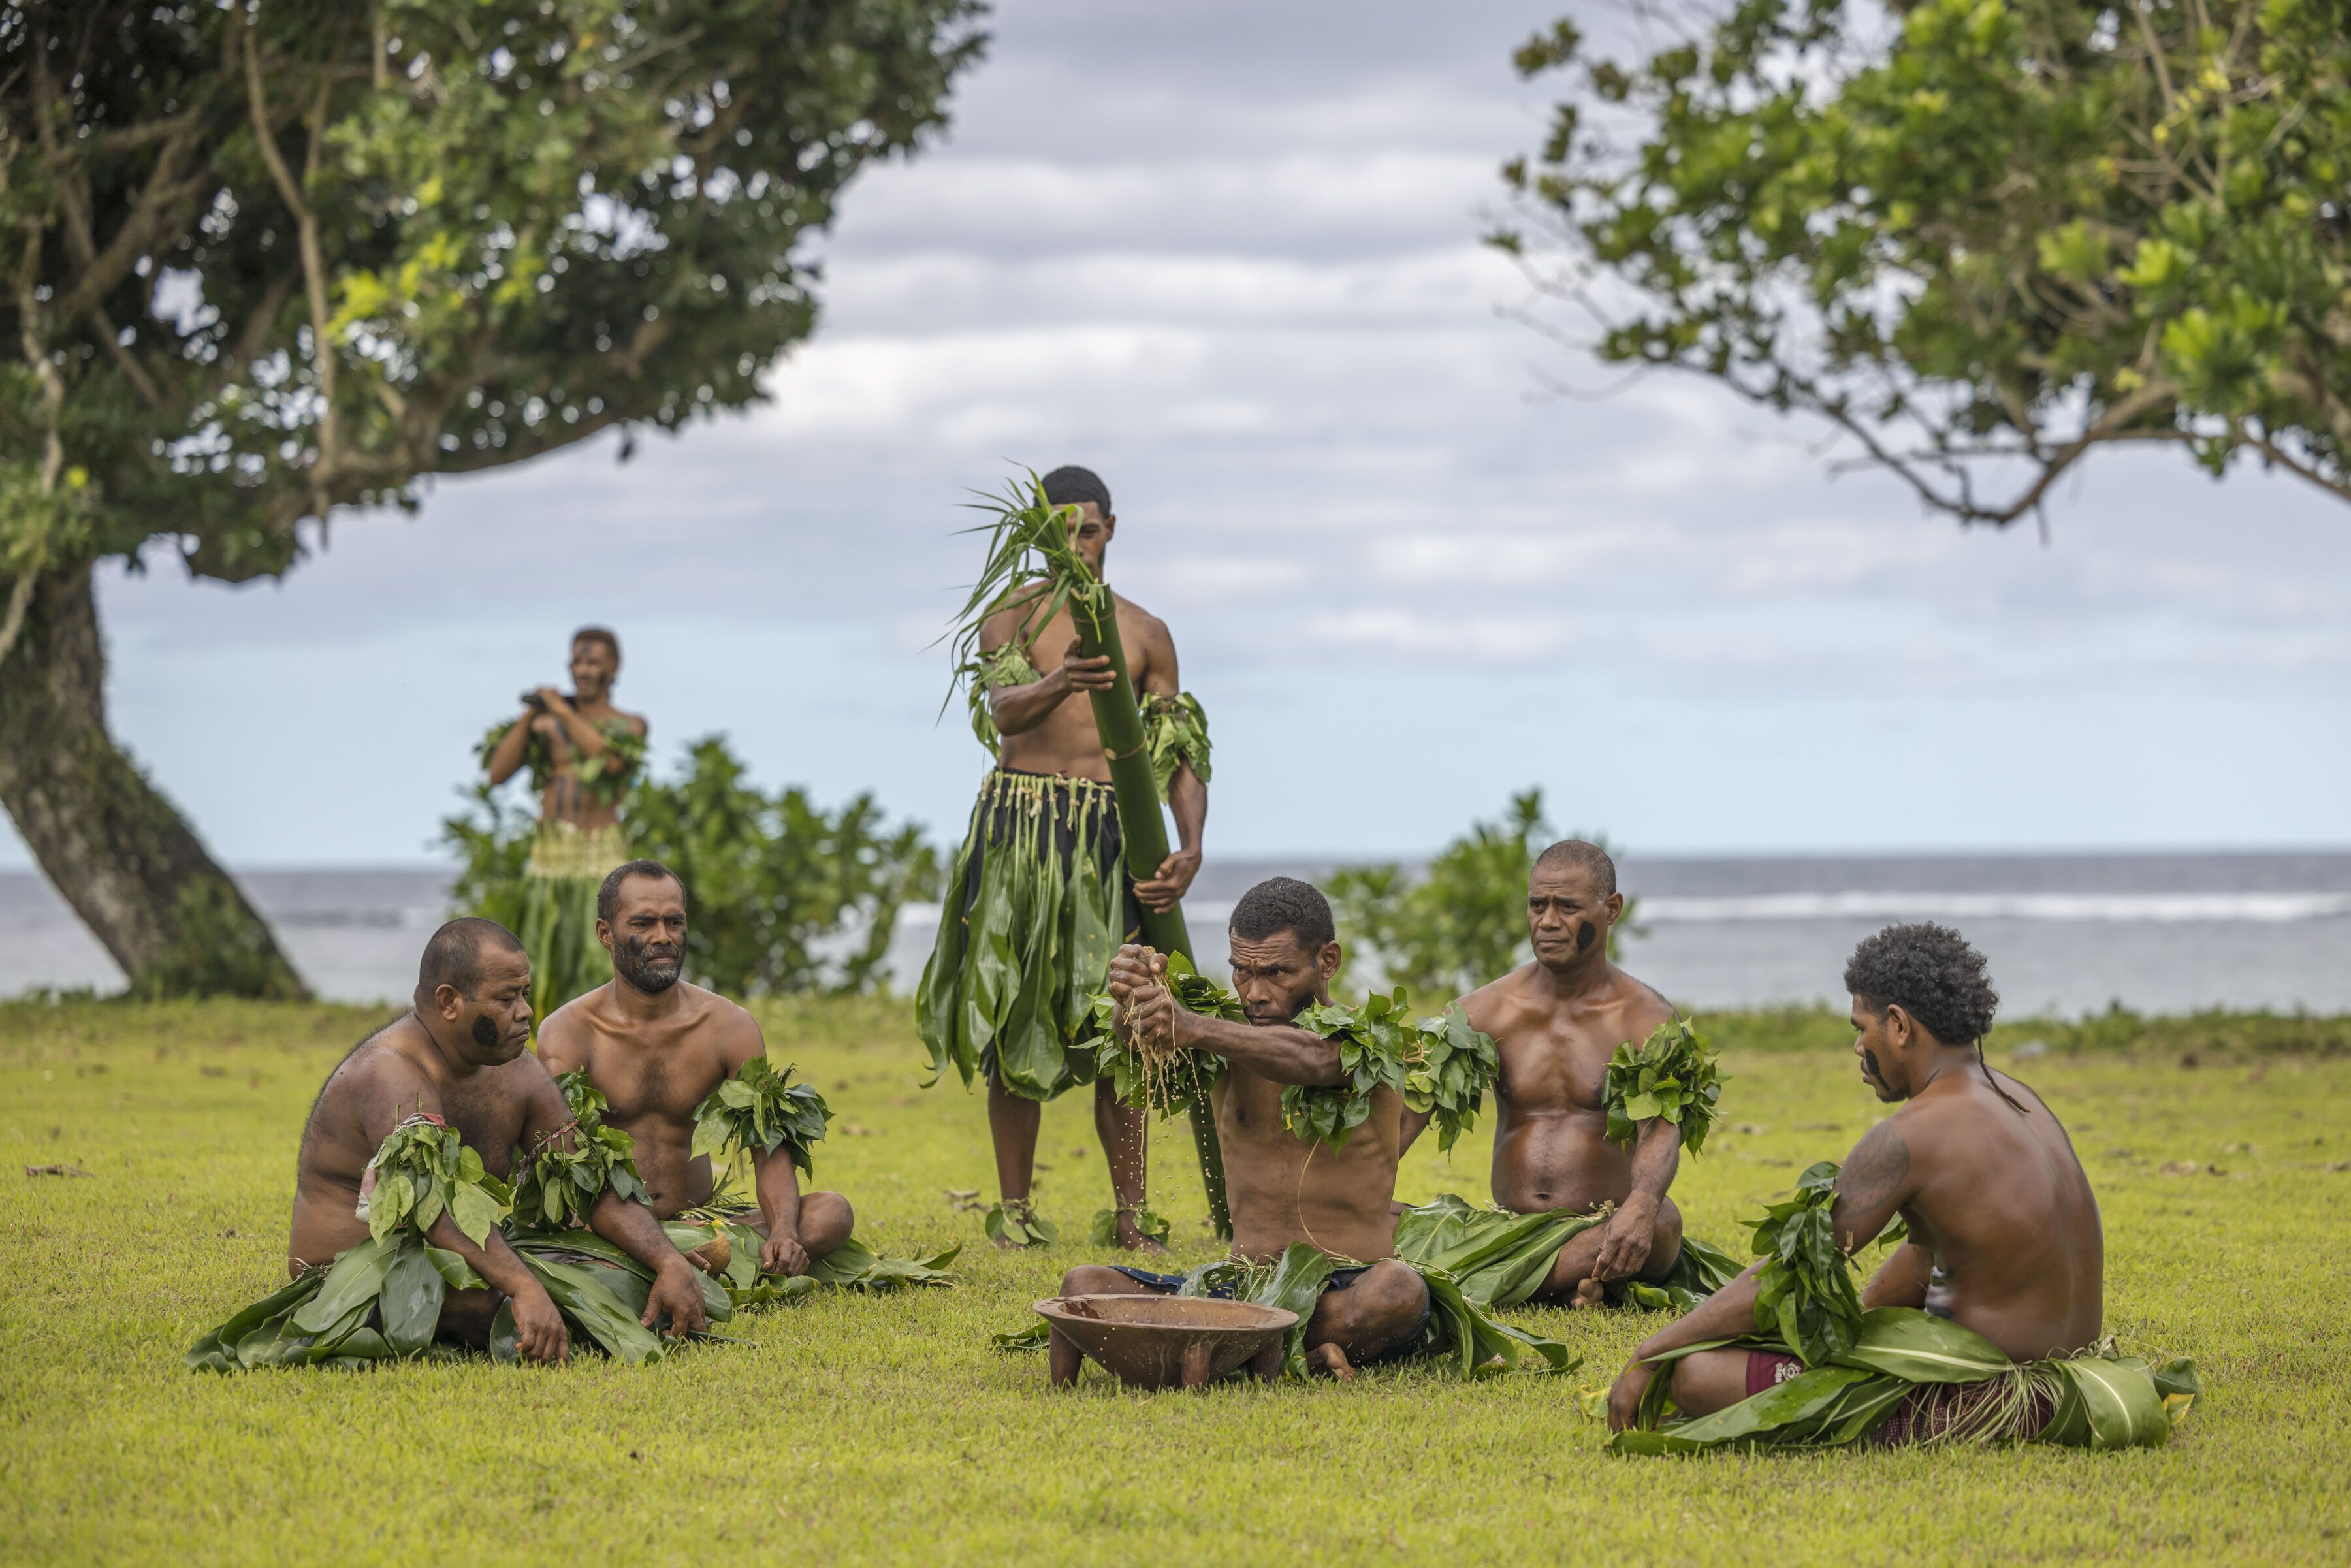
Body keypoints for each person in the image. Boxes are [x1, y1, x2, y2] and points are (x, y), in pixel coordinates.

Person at [1605, 922, 2109, 1444]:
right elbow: (1926, 1253)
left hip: (1993, 1400)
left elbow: (1789, 1274)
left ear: (1899, 1025)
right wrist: (1861, 1329)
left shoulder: (1910, 1135)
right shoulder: (2020, 1098)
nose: (1857, 1046)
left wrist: (1652, 1353)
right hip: (2073, 1385)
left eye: (1862, 1028)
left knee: (1697, 1374)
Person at [917, 465, 1211, 1251]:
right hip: (1023, 828)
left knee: (1125, 1017)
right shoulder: (1010, 615)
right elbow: (1004, 709)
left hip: (1113, 834)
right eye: (1059, 532)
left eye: (1087, 529)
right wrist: (1062, 680)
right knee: (1015, 1012)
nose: (1075, 544)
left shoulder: (1146, 632)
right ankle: (1014, 1212)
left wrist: (1190, 846)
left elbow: (1179, 751)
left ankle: (1132, 1214)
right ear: (1036, 535)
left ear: (1111, 529)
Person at [1052, 878, 1428, 1379]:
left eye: (1276, 973)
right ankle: (1273, 1347)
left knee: (1399, 1290)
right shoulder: (1224, 1037)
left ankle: (1233, 1346)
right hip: (1240, 1288)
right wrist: (1133, 999)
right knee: (1083, 1285)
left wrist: (1193, 1027)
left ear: (1327, 961)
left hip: (1348, 1287)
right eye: (1241, 971)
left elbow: (1314, 1060)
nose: (1254, 993)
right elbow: (1140, 1036)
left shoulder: (1369, 1044)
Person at [288, 917, 708, 1362]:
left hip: (457, 1258)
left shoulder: (517, 1070)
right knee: (490, 1302)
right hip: (348, 1279)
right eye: (507, 999)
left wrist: (664, 1259)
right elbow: (434, 1206)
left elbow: (588, 1179)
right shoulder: (390, 1070)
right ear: (449, 1002)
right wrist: (524, 1286)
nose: (525, 1011)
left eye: (524, 993)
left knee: (632, 1271)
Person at [1398, 840, 1705, 1305]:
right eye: (1538, 905)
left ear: (1611, 909)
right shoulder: (1480, 1013)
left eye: (1568, 907)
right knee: (1384, 1218)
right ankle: (1563, 1283)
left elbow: (1661, 1131)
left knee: (1662, 1223)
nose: (1547, 921)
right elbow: (1405, 1117)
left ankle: (1489, 1283)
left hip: (1600, 1226)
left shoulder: (1647, 1019)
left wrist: (1641, 1205)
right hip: (1505, 1230)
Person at [536, 861, 856, 1276]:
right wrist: (647, 1245)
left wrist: (783, 1231)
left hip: (700, 1224)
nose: (663, 937)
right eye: (643, 923)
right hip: (605, 1233)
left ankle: (688, 1269)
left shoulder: (728, 1026)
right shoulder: (568, 1032)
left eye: (674, 921)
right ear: (605, 933)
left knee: (831, 1213)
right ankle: (674, 1270)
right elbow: (565, 1165)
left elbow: (769, 1146)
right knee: (542, 1257)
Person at [482, 626, 648, 1023]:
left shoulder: (629, 726)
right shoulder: (546, 724)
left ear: (614, 667)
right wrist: (531, 715)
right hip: (550, 856)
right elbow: (497, 773)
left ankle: (606, 1034)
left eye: (593, 662)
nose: (583, 670)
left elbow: (609, 763)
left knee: (598, 954)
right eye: (577, 661)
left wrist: (561, 710)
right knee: (538, 956)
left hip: (599, 853)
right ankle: (541, 1038)